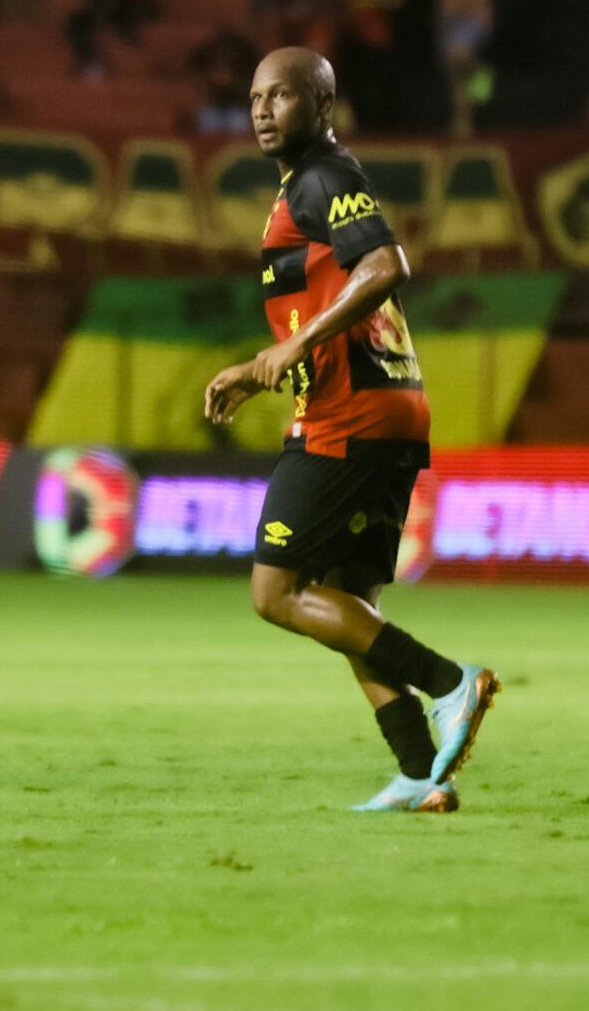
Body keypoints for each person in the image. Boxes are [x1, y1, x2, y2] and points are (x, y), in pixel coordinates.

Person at [201, 48, 498, 815]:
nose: (263, 109)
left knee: (276, 592)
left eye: (284, 95)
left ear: (323, 104)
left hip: (352, 414)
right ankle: (421, 771)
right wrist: (257, 365)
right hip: (380, 404)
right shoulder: (302, 188)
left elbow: (387, 265)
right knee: (346, 605)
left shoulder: (323, 179)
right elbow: (327, 302)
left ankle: (448, 682)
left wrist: (296, 347)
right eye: (256, 95)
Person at [434, 0, 493, 138]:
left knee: (459, 59)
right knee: (454, 74)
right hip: (450, 24)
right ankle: (462, 121)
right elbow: (443, 1)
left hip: (473, 19)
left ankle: (480, 77)